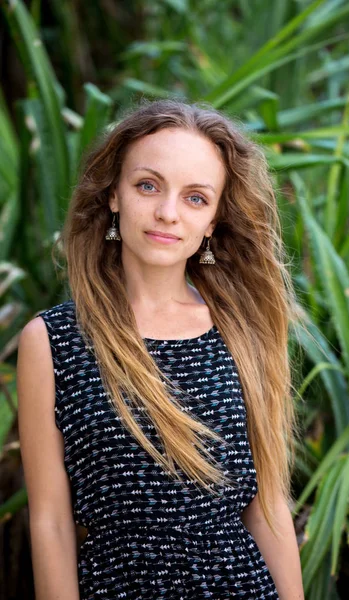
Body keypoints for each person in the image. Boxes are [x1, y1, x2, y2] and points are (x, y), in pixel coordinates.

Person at [17, 98, 305, 599]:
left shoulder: (247, 331)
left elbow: (268, 507)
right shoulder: (52, 341)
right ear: (113, 196)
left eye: (196, 198)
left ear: (214, 220)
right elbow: (51, 523)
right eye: (147, 186)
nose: (168, 213)